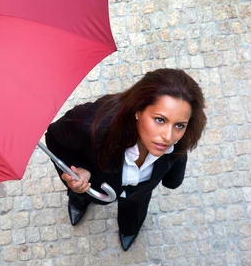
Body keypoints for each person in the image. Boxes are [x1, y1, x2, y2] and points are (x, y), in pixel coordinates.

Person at [45, 68, 206, 251]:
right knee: (80, 191)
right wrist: (80, 169)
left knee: (135, 208)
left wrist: (173, 178)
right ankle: (79, 202)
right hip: (96, 180)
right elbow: (54, 138)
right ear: (138, 110)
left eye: (179, 125)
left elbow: (178, 153)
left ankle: (129, 229)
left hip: (140, 192)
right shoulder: (89, 124)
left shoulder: (179, 139)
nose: (168, 136)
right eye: (160, 120)